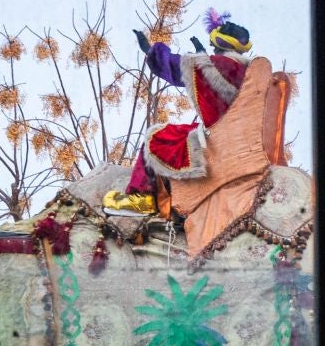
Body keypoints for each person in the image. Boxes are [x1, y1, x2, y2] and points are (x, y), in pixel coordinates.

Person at [103, 12, 257, 215]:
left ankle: (140, 197)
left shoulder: (214, 65)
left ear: (221, 44)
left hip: (217, 142)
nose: (211, 50)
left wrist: (151, 51)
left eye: (214, 47)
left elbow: (175, 67)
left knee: (157, 137)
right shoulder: (250, 73)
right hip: (243, 143)